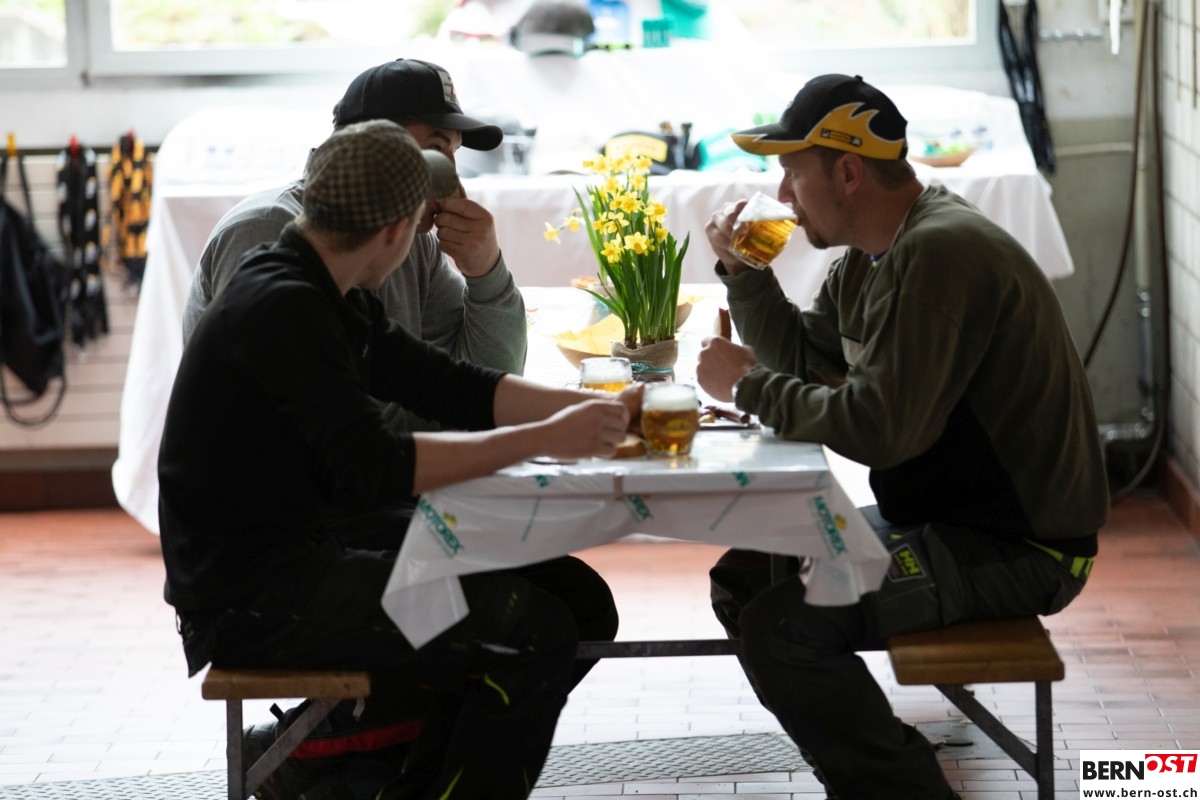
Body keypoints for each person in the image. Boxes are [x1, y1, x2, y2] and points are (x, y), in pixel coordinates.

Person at [159, 120, 640, 800]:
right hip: (253, 600)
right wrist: (549, 436)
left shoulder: (321, 285)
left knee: (576, 602)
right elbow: (381, 465)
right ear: (396, 230)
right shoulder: (284, 305)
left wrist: (594, 409)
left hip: (304, 556)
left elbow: (450, 385)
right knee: (530, 631)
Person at [694, 74, 1109, 800]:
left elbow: (880, 430)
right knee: (746, 576)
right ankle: (866, 772)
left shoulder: (939, 253)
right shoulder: (872, 256)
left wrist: (748, 386)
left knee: (783, 628)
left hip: (1020, 547)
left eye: (793, 172)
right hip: (946, 520)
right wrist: (743, 273)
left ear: (848, 173)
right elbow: (806, 363)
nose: (783, 195)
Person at [182, 58, 527, 438]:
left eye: (453, 156)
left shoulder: (411, 241)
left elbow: (468, 387)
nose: (452, 180)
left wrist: (486, 270)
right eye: (435, 150)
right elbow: (340, 438)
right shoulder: (265, 232)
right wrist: (535, 431)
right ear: (373, 147)